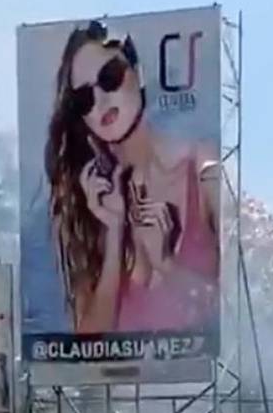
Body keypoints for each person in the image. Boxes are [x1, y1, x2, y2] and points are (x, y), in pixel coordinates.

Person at [44, 20, 220, 335]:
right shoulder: (91, 206)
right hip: (123, 387)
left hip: (212, 385)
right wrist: (113, 235)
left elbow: (243, 315)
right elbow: (89, 349)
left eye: (109, 78)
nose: (100, 102)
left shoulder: (203, 169)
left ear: (137, 72)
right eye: (84, 98)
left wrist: (167, 265)